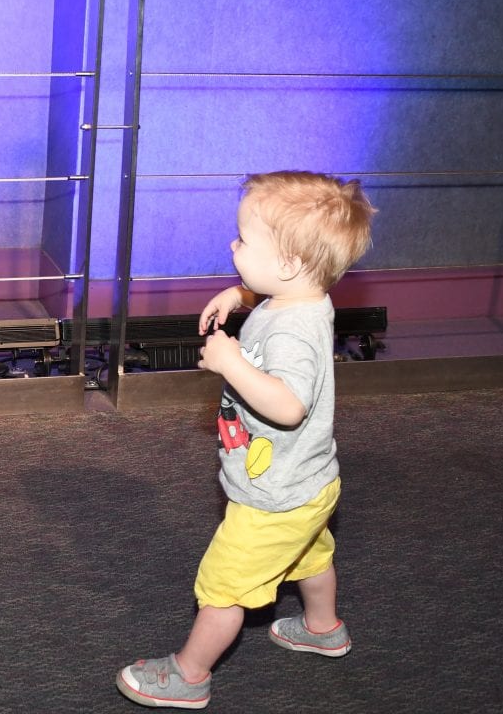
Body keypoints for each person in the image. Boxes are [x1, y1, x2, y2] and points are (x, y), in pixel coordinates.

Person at [117, 170, 376, 709]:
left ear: (285, 263)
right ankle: (323, 627)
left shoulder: (290, 332)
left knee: (224, 587)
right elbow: (282, 288)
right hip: (309, 483)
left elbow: (288, 405)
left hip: (271, 497)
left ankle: (189, 674)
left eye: (243, 239)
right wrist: (241, 291)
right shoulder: (305, 297)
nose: (232, 244)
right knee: (310, 556)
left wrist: (232, 363)